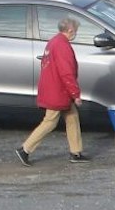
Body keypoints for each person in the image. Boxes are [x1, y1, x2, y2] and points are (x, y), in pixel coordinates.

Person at [17, 16, 87, 164]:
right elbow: (66, 72)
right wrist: (76, 94)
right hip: (59, 91)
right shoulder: (63, 46)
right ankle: (25, 149)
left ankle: (76, 152)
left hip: (53, 88)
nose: (76, 34)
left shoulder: (54, 42)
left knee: (72, 117)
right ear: (70, 30)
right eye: (76, 31)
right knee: (50, 121)